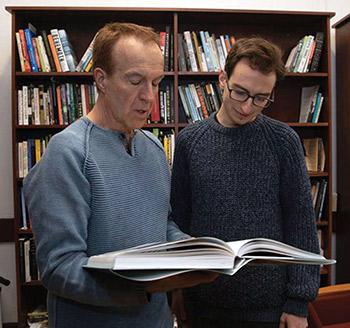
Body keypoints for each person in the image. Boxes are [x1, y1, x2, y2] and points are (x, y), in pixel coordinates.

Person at [23, 22, 217, 328]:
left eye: (156, 82)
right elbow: (58, 267)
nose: (149, 96)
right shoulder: (68, 153)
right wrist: (142, 287)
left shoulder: (153, 147)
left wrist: (192, 250)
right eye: (136, 81)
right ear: (101, 79)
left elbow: (160, 224)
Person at [170, 37, 320, 328]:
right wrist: (177, 286)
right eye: (240, 92)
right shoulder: (190, 141)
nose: (248, 107)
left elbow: (301, 223)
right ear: (222, 79)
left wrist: (298, 303)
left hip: (270, 308)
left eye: (261, 98)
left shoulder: (284, 142)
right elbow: (179, 220)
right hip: (201, 304)